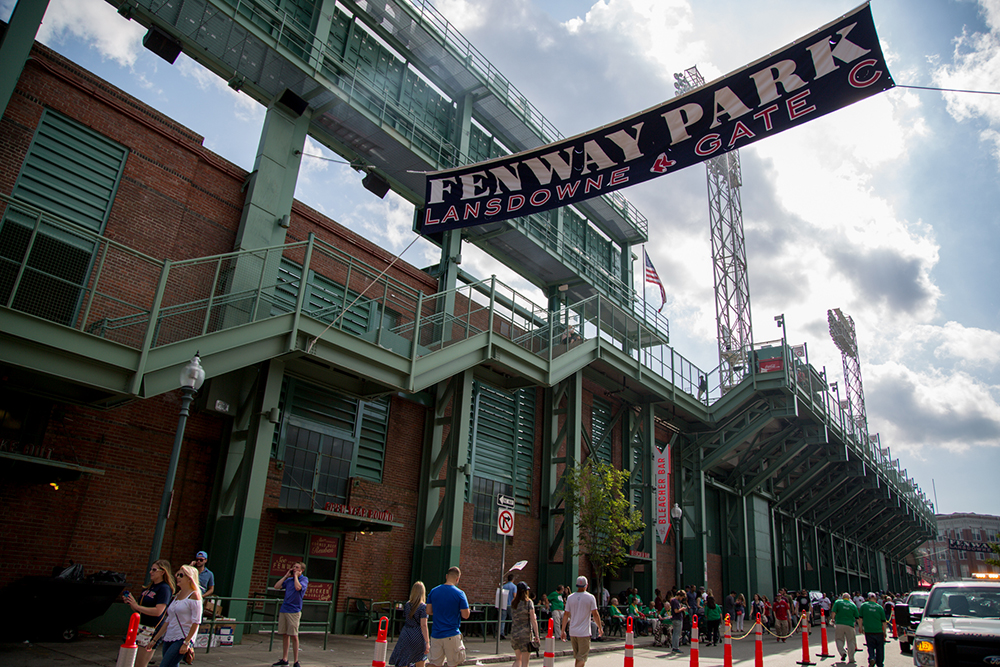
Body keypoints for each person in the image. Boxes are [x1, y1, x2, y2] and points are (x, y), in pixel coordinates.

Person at [146, 564, 201, 667]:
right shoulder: (178, 595)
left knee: (165, 665)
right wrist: (155, 639)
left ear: (189, 578)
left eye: (181, 575)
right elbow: (168, 620)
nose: (177, 577)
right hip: (169, 636)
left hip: (182, 638)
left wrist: (187, 642)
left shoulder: (194, 595)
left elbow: (196, 622)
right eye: (177, 575)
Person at [125, 559, 175, 667]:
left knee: (140, 663)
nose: (151, 572)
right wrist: (132, 603)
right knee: (133, 661)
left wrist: (137, 606)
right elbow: (139, 609)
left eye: (154, 570)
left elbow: (158, 611)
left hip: (152, 629)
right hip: (141, 627)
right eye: (151, 569)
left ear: (163, 572)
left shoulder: (164, 588)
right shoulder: (149, 587)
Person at [427, 566, 470, 667]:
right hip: (451, 633)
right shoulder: (460, 594)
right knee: (453, 663)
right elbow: (465, 615)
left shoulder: (434, 591)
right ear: (457, 579)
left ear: (446, 576)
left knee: (434, 663)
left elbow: (428, 611)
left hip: (436, 634)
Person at [272, 561, 308, 667]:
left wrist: (296, 576)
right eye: (294, 567)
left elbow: (298, 588)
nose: (294, 569)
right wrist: (285, 576)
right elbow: (276, 586)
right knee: (285, 634)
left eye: (297, 567)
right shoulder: (289, 580)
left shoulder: (304, 580)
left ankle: (296, 661)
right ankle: (285, 658)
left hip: (294, 610)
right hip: (285, 609)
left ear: (301, 570)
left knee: (294, 635)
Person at [561, 576, 602, 667]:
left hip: (573, 631)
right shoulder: (590, 597)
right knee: (582, 657)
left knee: (578, 657)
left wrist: (563, 630)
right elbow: (595, 614)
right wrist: (600, 627)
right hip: (584, 632)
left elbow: (566, 615)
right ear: (586, 585)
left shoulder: (570, 597)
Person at [390, 581, 430, 667]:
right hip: (418, 636)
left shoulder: (407, 605)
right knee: (420, 660)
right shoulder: (423, 607)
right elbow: (423, 625)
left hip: (406, 634)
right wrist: (427, 642)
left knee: (404, 659)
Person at [509, 582, 540, 667]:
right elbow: (533, 620)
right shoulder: (528, 602)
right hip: (525, 635)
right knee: (525, 663)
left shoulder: (513, 602)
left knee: (518, 659)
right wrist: (537, 635)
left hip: (515, 634)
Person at [830, 592, 860, 663]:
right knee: (851, 641)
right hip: (850, 625)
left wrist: (833, 619)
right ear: (849, 598)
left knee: (839, 639)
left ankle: (842, 652)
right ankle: (851, 658)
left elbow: (833, 612)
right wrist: (860, 626)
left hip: (839, 623)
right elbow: (857, 616)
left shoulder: (838, 602)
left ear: (842, 597)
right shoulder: (853, 605)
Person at [859, 592, 887, 667]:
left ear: (868, 598)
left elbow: (860, 618)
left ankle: (871, 657)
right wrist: (885, 632)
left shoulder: (863, 606)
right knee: (879, 648)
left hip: (868, 630)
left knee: (870, 646)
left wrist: (861, 628)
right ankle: (879, 663)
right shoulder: (879, 607)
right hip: (878, 631)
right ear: (875, 598)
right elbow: (883, 621)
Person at [502, 574, 517, 639]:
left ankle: (501, 632)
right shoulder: (514, 586)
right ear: (513, 579)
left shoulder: (504, 586)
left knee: (503, 619)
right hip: (510, 605)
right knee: (513, 619)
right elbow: (514, 596)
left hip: (504, 604)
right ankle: (513, 632)